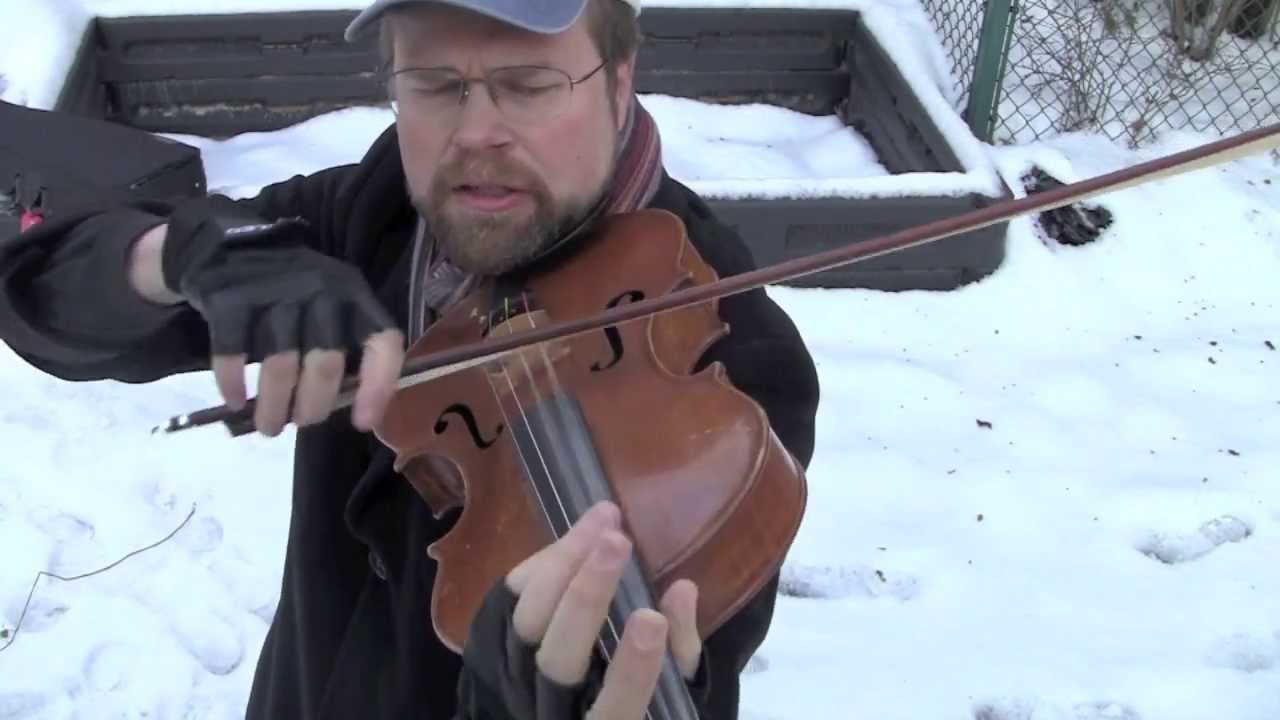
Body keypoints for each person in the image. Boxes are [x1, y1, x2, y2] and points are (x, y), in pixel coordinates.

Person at [0, 0, 821, 718]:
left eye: (529, 84)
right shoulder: (368, 218)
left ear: (618, 78)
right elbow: (46, 295)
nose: (476, 133)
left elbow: (685, 677)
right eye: (434, 84)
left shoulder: (723, 349)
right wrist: (178, 253)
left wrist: (535, 694)